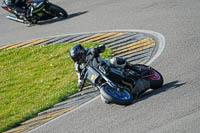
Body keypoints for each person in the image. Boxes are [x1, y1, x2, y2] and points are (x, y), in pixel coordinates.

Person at [69, 44, 151, 92]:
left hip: (106, 65)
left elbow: (100, 48)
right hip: (97, 76)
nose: (77, 60)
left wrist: (98, 49)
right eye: (75, 58)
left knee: (115, 61)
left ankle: (136, 68)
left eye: (78, 57)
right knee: (105, 100)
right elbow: (79, 76)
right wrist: (80, 83)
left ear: (82, 52)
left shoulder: (90, 51)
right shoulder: (78, 66)